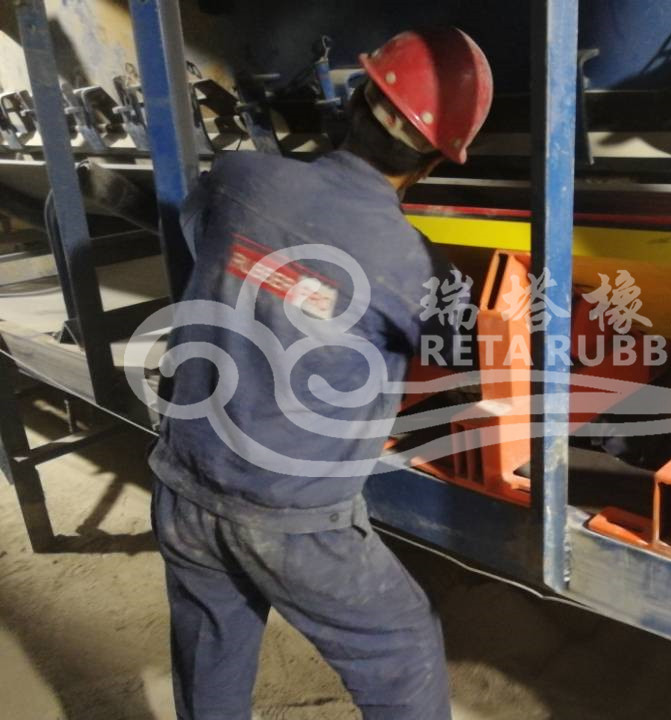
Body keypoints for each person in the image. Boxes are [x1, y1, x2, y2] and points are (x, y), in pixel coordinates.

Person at [147, 28, 493, 720]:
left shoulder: (240, 178)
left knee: (212, 650)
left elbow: (201, 237)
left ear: (354, 100)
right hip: (295, 524)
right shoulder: (419, 266)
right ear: (433, 162)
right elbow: (467, 361)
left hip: (182, 489)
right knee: (403, 650)